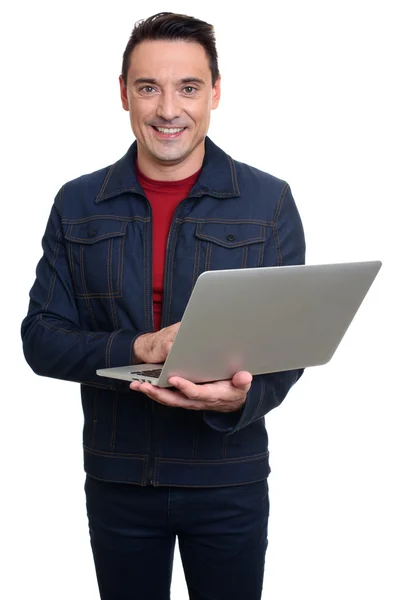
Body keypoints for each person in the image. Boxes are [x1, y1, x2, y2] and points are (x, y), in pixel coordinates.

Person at [21, 11, 306, 600]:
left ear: (216, 94)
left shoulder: (269, 201)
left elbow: (291, 346)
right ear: (123, 93)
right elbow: (41, 338)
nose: (168, 109)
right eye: (149, 87)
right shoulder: (77, 204)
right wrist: (139, 347)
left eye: (189, 87)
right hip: (120, 479)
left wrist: (244, 397)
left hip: (228, 477)